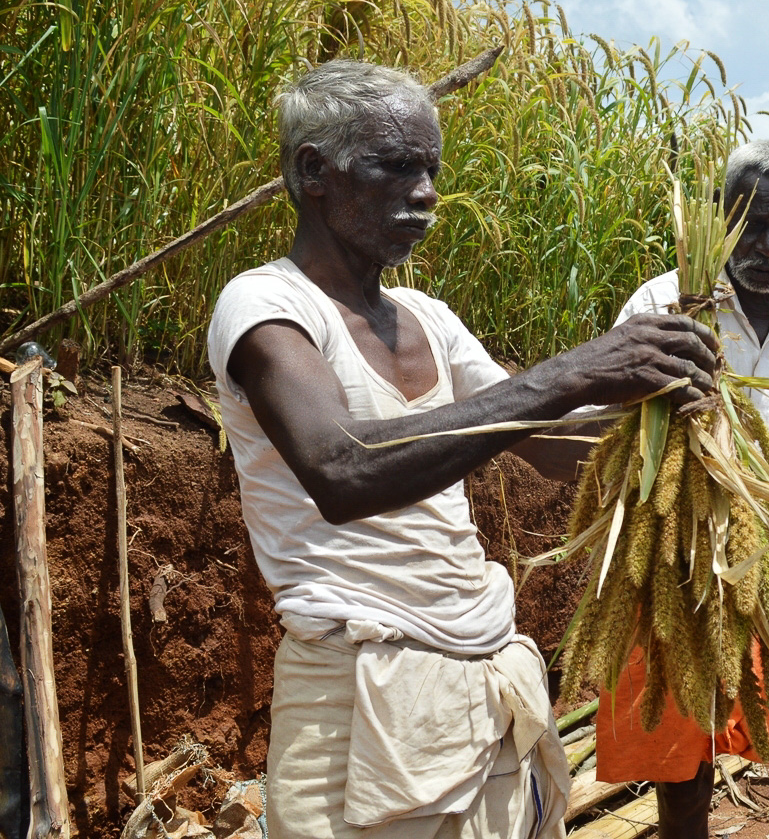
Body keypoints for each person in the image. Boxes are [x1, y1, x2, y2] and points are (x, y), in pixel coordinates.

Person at [206, 59, 719, 839]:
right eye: (397, 165)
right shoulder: (266, 305)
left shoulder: (426, 317)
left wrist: (665, 419)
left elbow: (548, 445)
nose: (426, 193)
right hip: (359, 692)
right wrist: (576, 369)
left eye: (432, 169)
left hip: (486, 674)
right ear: (315, 170)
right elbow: (343, 470)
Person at [595, 140, 769, 839]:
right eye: (754, 223)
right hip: (678, 565)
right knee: (682, 777)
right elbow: (617, 439)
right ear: (722, 215)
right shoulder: (663, 304)